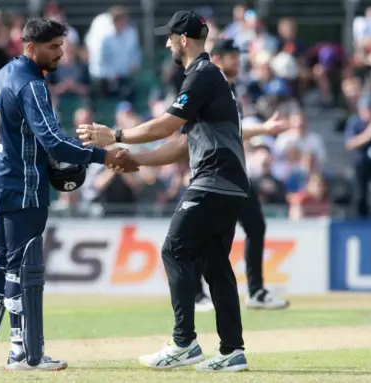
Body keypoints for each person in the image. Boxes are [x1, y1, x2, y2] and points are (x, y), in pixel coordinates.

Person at [0, 18, 138, 372]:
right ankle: (24, 353)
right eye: (53, 47)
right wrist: (105, 156)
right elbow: (53, 140)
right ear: (30, 48)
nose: (61, 53)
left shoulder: (2, 77)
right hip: (23, 187)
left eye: (62, 46)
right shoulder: (31, 84)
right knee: (22, 267)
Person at [77, 10, 249, 372]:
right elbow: (179, 146)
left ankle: (184, 342)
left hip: (213, 181)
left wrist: (117, 136)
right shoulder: (210, 79)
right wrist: (135, 161)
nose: (167, 42)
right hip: (229, 185)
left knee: (175, 250)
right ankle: (232, 350)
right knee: (215, 264)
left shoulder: (202, 75)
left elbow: (167, 125)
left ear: (183, 39)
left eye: (170, 37)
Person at [191, 38, 290, 311]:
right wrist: (263, 130)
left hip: (236, 171)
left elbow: (233, 131)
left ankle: (256, 291)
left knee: (255, 226)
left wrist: (262, 129)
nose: (239, 61)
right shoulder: (210, 85)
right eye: (233, 56)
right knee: (203, 232)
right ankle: (197, 293)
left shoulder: (231, 89)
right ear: (219, 58)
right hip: (213, 170)